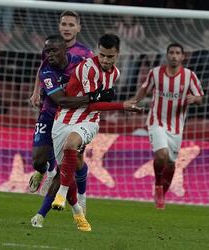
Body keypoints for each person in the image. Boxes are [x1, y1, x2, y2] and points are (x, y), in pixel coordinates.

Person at [50, 34, 141, 232]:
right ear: (97, 51)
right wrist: (121, 105)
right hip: (64, 119)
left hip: (89, 120)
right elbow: (93, 102)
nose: (106, 60)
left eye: (111, 56)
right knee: (67, 168)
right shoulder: (86, 68)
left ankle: (61, 192)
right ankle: (78, 212)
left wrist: (114, 103)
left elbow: (93, 109)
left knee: (71, 145)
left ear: (118, 54)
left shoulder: (115, 73)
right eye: (103, 55)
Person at [29, 35, 115, 229]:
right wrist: (93, 98)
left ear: (65, 51)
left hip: (77, 120)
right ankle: (43, 171)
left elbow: (101, 74)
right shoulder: (46, 71)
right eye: (47, 52)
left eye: (53, 51)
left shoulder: (81, 63)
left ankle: (43, 214)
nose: (49, 55)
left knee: (68, 166)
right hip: (50, 115)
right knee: (38, 160)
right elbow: (61, 100)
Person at [29, 10, 94, 199]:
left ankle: (79, 197)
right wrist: (35, 92)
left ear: (78, 28)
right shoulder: (49, 48)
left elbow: (93, 79)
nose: (67, 28)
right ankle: (45, 170)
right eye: (64, 24)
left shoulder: (85, 54)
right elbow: (42, 69)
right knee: (38, 159)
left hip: (73, 114)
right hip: (50, 108)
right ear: (59, 26)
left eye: (71, 25)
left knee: (74, 156)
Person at [133, 43, 204, 209]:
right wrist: (133, 103)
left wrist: (195, 99)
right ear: (167, 55)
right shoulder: (156, 73)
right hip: (156, 121)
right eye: (171, 52)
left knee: (171, 164)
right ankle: (158, 185)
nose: (174, 56)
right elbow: (143, 90)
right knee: (162, 155)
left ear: (182, 56)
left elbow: (200, 97)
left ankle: (162, 194)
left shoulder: (189, 76)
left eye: (177, 53)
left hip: (177, 127)